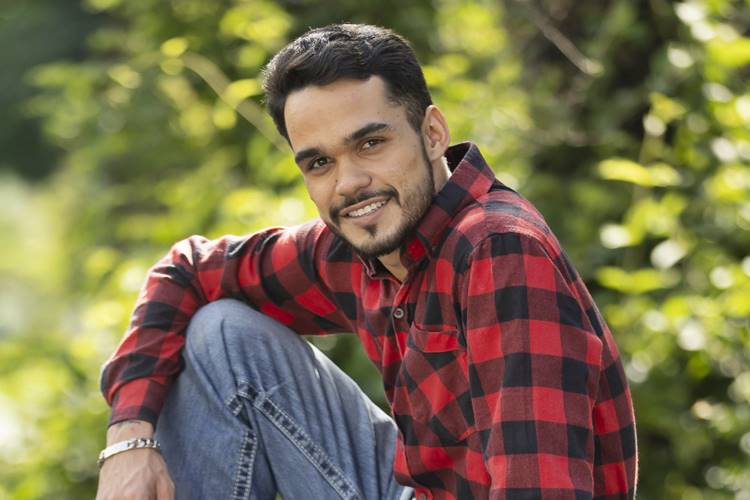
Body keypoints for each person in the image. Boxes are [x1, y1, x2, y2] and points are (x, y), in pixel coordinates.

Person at [95, 23, 637, 500]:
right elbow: (187, 270)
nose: (349, 183)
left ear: (432, 133)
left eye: (371, 143)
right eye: (320, 163)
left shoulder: (498, 251)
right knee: (223, 335)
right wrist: (128, 441)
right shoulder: (360, 248)